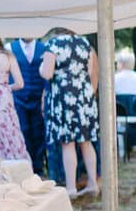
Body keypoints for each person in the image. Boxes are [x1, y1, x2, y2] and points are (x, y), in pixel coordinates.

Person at [39, 27, 100, 196]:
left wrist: (42, 67)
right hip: (84, 96)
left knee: (68, 143)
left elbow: (47, 73)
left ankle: (71, 188)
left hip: (64, 97)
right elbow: (89, 72)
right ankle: (93, 184)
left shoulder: (53, 44)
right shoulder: (84, 43)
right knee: (86, 142)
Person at [10, 33, 50, 175]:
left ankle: (38, 170)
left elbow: (47, 76)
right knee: (23, 134)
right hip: (18, 100)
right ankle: (25, 170)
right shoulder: (10, 48)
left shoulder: (44, 47)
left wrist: (45, 98)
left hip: (38, 100)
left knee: (39, 135)